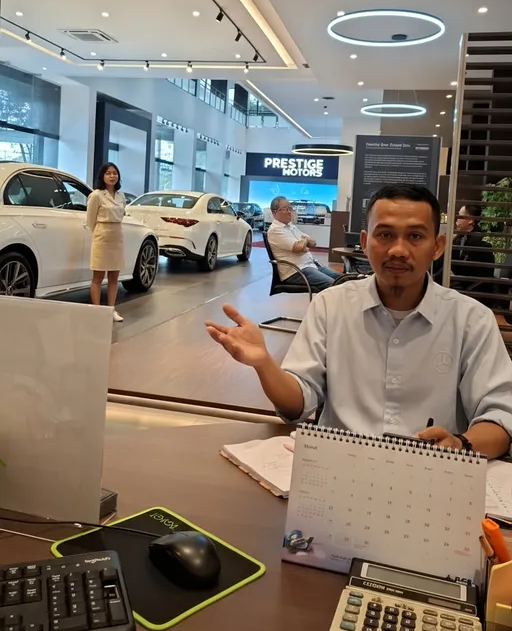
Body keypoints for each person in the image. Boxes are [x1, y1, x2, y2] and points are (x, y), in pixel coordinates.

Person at [206, 184, 512, 459]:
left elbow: (501, 417)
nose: (398, 250)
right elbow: (297, 404)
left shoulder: (472, 320)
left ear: (437, 246)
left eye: (415, 236)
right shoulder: (331, 306)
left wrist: (462, 444)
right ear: (365, 242)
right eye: (385, 235)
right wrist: (265, 365)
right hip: (337, 474)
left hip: (429, 480)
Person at [267, 196, 341, 291]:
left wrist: (303, 243)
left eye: (290, 208)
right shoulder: (275, 230)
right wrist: (304, 242)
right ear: (274, 212)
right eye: (285, 209)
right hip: (296, 271)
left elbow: (313, 243)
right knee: (332, 284)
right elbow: (299, 247)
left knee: (342, 279)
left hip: (311, 265)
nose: (289, 212)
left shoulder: (291, 226)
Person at [86, 162, 126, 322]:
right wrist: (98, 234)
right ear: (102, 176)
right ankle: (96, 311)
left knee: (114, 277)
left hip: (117, 236)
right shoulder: (96, 195)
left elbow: (122, 215)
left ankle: (111, 310)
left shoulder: (121, 196)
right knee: (98, 276)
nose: (112, 176)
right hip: (102, 236)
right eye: (108, 173)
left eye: (114, 173)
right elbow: (90, 220)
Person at [433, 203, 495, 291]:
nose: (456, 220)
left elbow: (470, 274)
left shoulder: (481, 244)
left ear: (470, 220)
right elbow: (444, 261)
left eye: (460, 217)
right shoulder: (458, 239)